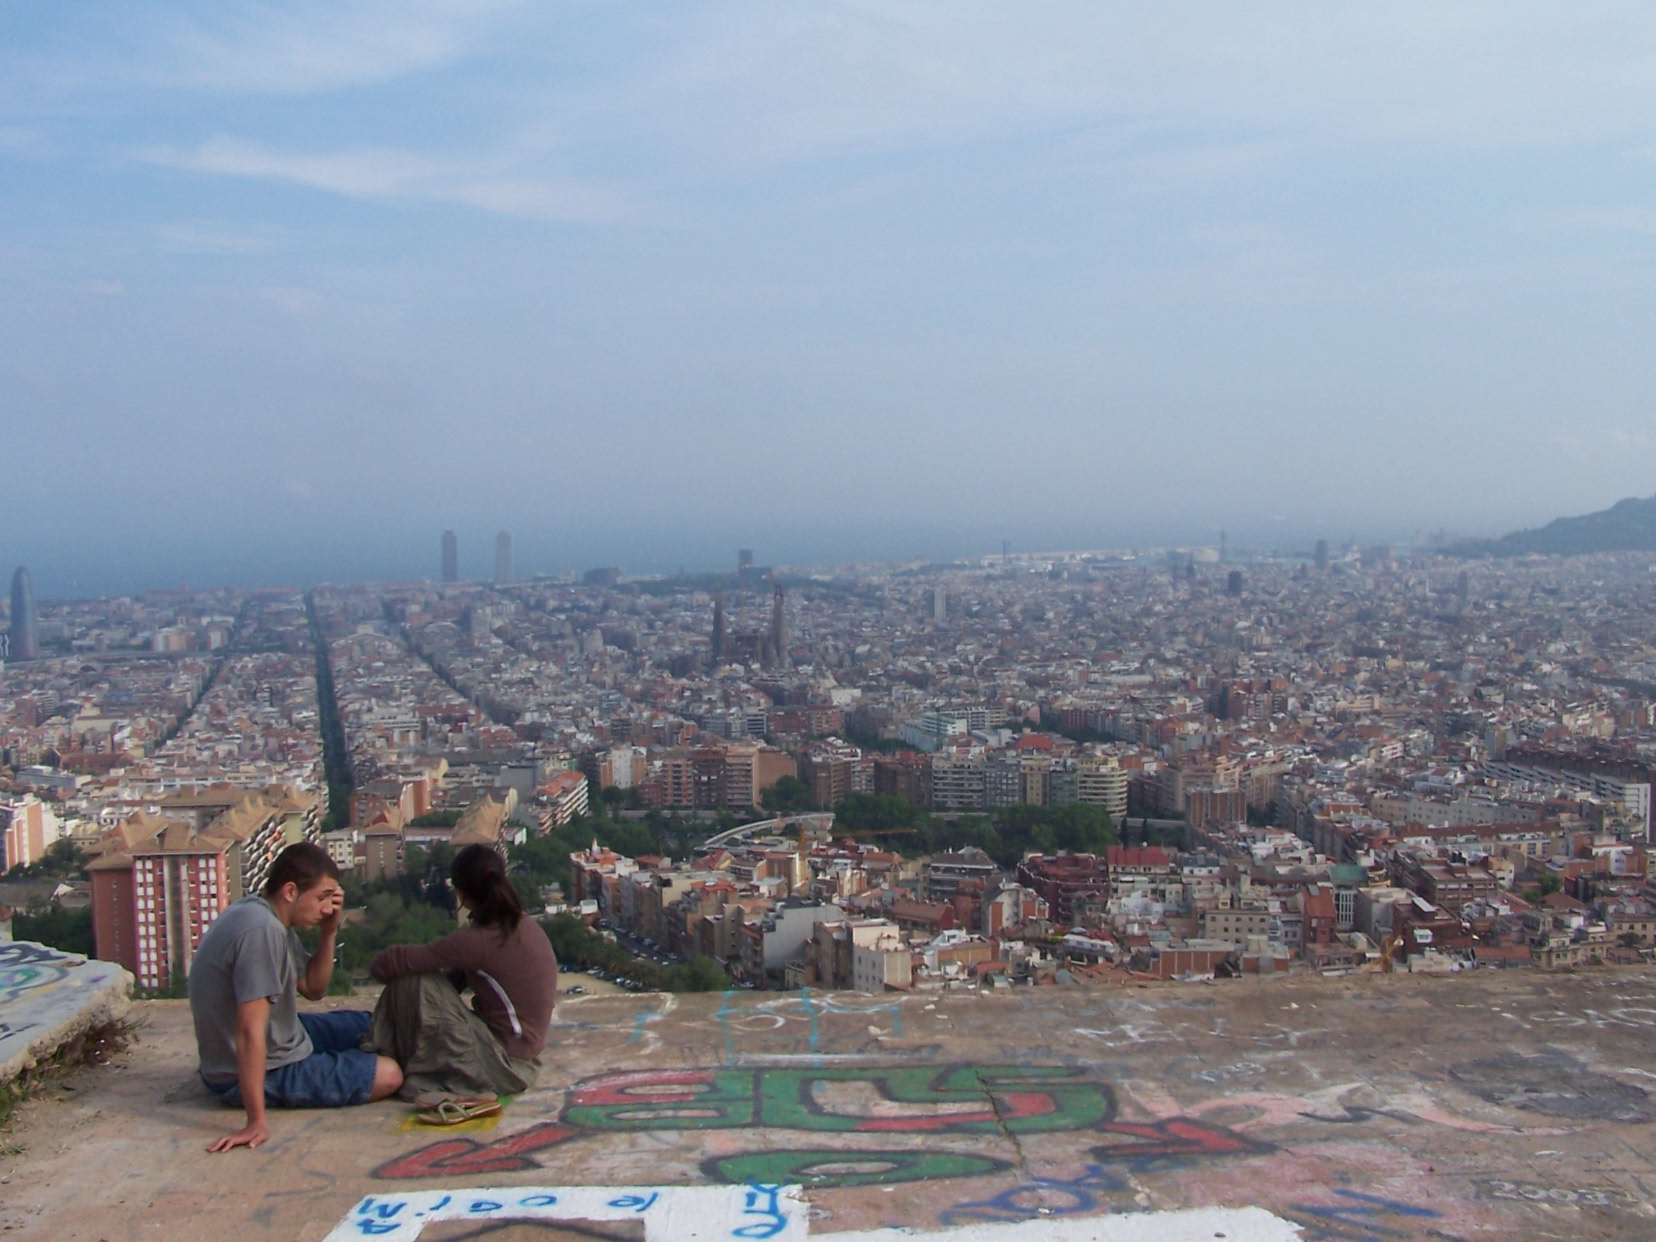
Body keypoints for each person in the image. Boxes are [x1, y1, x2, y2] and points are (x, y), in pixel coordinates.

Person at [188, 842, 403, 1152]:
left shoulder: (267, 915)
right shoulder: (261, 931)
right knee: (388, 1074)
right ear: (290, 891)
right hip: (255, 1069)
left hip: (283, 1036)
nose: (327, 908)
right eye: (321, 898)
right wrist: (255, 1122)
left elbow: (313, 988)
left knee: (379, 1024)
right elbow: (249, 1031)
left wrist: (329, 931)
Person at [365, 844, 557, 1103]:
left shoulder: (480, 941)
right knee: (426, 982)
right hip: (523, 1056)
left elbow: (390, 963)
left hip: (504, 1065)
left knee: (414, 980)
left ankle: (382, 1057)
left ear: (462, 893)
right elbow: (454, 982)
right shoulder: (521, 924)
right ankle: (389, 1055)